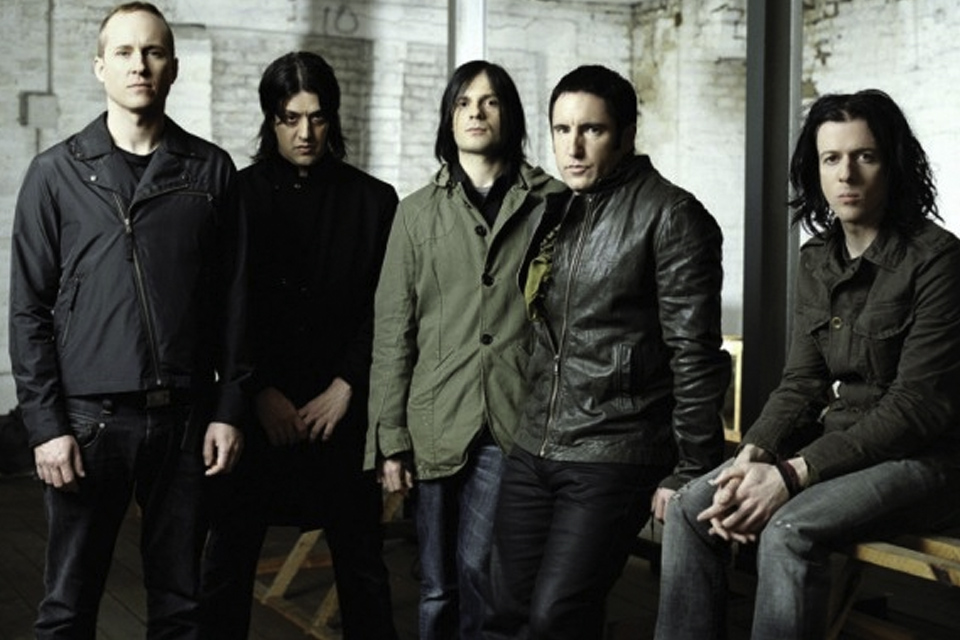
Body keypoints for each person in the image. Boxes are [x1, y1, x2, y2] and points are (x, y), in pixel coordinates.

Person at [655, 89, 960, 640]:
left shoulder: (938, 259)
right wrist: (752, 455)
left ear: (892, 163)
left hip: (923, 460)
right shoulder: (816, 259)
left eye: (865, 156)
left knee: (789, 528)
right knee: (690, 506)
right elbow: (802, 382)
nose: (847, 174)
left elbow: (917, 407)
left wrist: (791, 474)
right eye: (831, 158)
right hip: (840, 446)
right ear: (814, 171)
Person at [9, 3, 248, 638]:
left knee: (180, 607)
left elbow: (234, 304)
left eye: (153, 52)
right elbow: (28, 311)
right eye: (124, 52)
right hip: (90, 423)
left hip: (187, 421)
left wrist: (228, 409)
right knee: (67, 606)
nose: (139, 64)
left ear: (173, 67)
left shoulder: (210, 171)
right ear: (100, 67)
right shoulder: (56, 173)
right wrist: (46, 427)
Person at [484, 64, 731, 640]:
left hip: (614, 449)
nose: (572, 147)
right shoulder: (556, 211)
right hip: (534, 444)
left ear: (625, 135)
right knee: (503, 612)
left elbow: (694, 354)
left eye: (591, 130)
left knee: (557, 617)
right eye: (561, 129)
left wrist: (691, 468)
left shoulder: (672, 215)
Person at [200, 51, 399, 640]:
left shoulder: (374, 200)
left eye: (317, 117)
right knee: (225, 566)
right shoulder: (235, 196)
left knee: (363, 569)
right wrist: (257, 391)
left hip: (341, 416)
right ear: (272, 119)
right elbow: (215, 308)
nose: (305, 133)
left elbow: (387, 309)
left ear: (332, 118)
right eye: (290, 118)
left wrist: (346, 386)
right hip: (258, 414)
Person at [365, 60, 565, 640]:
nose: (476, 112)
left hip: (511, 417)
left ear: (511, 116)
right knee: (435, 585)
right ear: (448, 118)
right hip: (433, 419)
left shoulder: (552, 203)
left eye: (490, 101)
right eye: (463, 102)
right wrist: (390, 441)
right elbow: (393, 332)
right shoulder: (415, 212)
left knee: (481, 569)